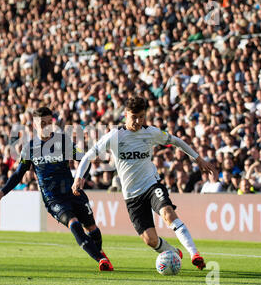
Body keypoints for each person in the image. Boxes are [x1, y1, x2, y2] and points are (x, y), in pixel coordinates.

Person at [72, 97, 217, 271]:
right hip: (132, 196)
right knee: (151, 240)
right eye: (134, 117)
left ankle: (195, 254)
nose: (139, 121)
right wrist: (78, 177)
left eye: (142, 116)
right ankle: (173, 252)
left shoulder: (151, 132)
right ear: (126, 115)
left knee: (168, 214)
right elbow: (88, 155)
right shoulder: (115, 136)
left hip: (151, 185)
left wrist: (198, 158)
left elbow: (176, 141)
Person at [0, 107, 114, 271]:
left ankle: (99, 255)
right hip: (53, 198)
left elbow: (84, 159)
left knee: (92, 228)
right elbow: (18, 175)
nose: (47, 126)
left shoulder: (63, 141)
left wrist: (80, 178)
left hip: (73, 192)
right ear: (35, 126)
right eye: (42, 123)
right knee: (74, 223)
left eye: (49, 123)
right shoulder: (29, 148)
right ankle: (100, 259)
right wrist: (1, 193)